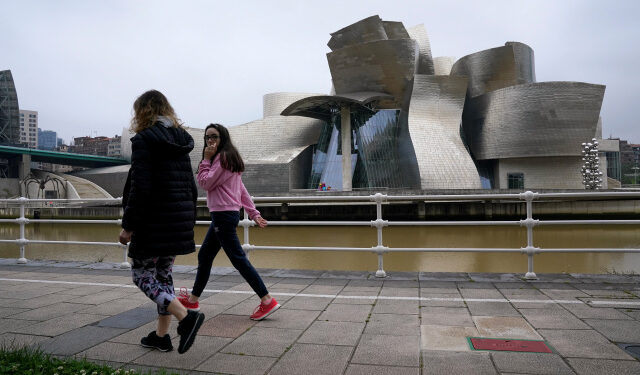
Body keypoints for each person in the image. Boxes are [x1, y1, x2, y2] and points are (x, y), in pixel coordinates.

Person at [119, 89, 204, 354]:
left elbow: (141, 187)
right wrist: (187, 221)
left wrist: (129, 225)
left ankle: (186, 317)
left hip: (152, 222)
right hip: (177, 220)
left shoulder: (144, 140)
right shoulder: (181, 140)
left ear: (142, 111)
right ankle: (161, 336)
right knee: (163, 275)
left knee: (141, 274)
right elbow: (191, 187)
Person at [178, 123, 279, 321]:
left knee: (238, 259)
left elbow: (205, 183)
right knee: (206, 256)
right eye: (207, 137)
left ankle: (267, 300)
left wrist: (205, 160)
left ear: (222, 137)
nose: (210, 140)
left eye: (214, 136)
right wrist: (254, 213)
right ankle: (193, 299)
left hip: (223, 216)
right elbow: (240, 189)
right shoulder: (228, 158)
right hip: (224, 215)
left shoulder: (221, 159)